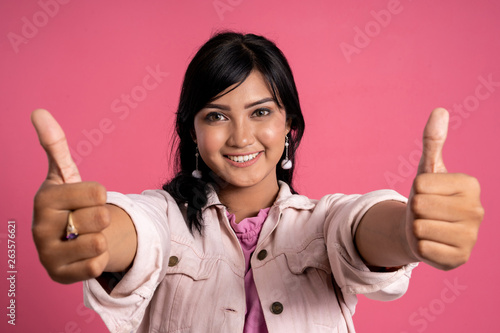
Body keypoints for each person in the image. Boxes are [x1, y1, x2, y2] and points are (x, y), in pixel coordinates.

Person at [31, 32, 483, 333]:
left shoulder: (322, 225)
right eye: (216, 116)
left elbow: (360, 227)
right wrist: (88, 231)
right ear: (192, 130)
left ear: (290, 125)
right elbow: (133, 228)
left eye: (261, 112)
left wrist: (408, 230)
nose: (242, 137)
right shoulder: (166, 217)